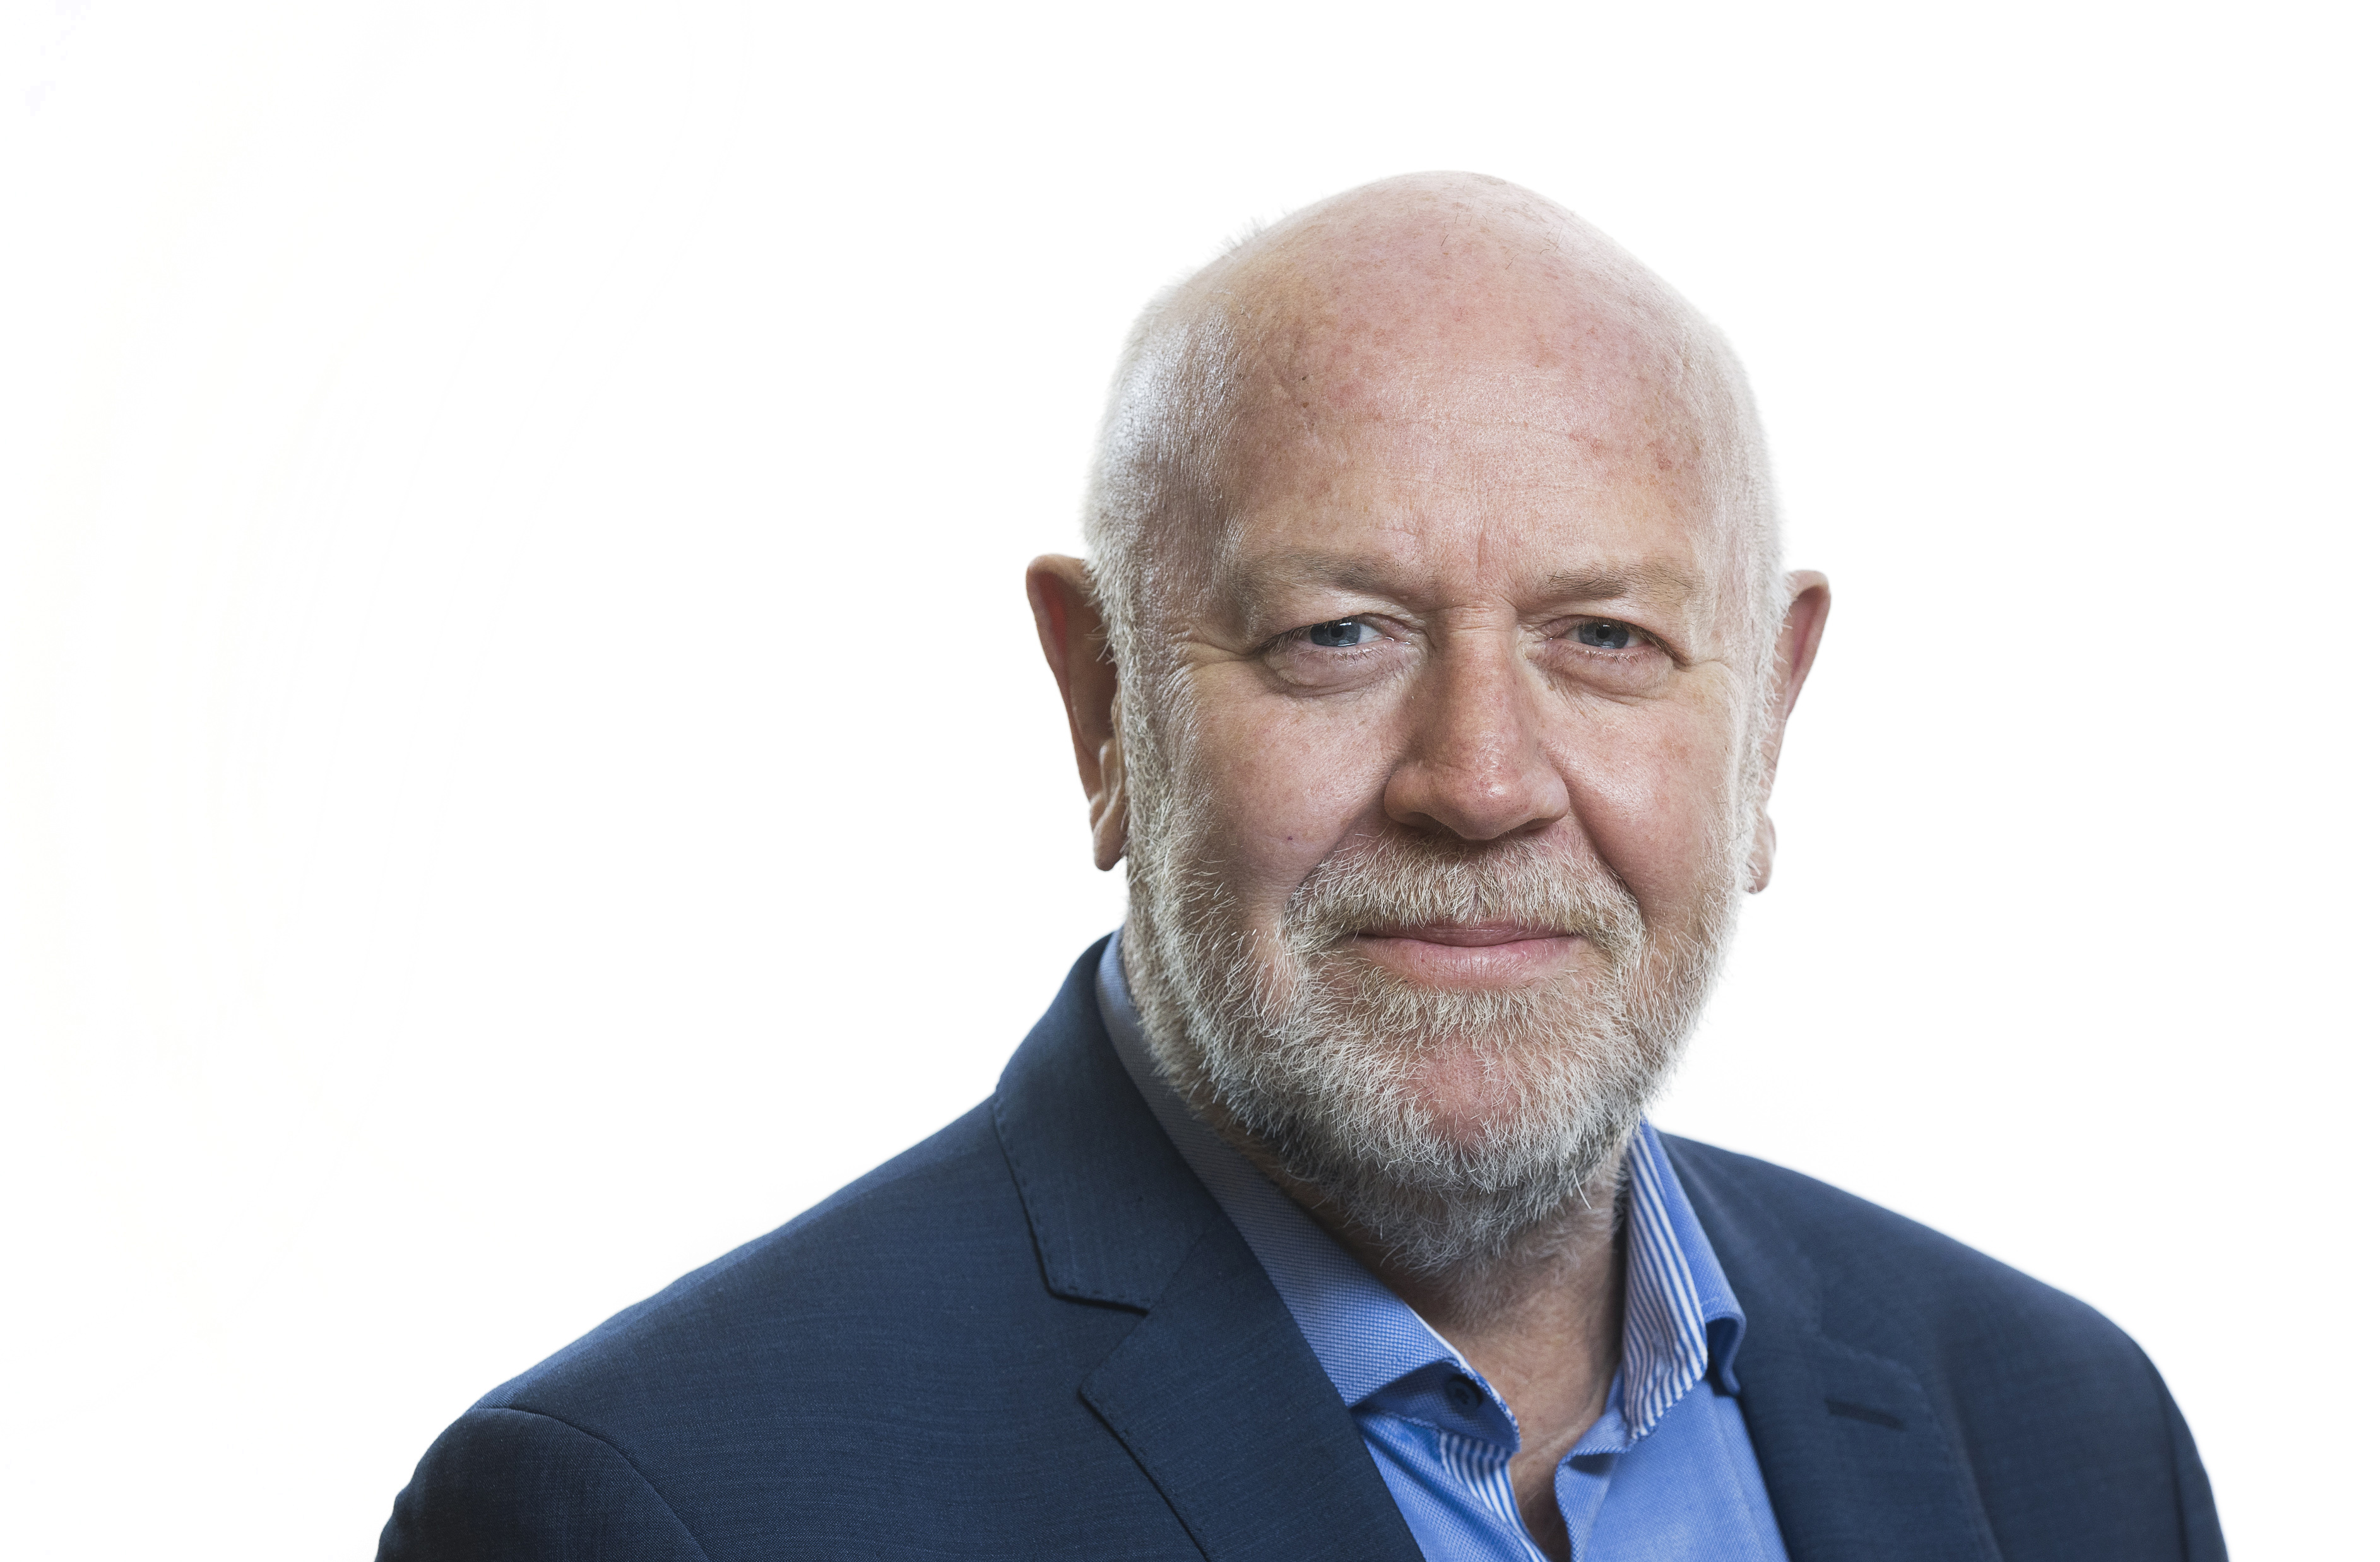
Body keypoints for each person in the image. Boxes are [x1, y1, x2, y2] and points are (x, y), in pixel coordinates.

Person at [377, 172, 2226, 1562]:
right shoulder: (665, 1510)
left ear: (1768, 721)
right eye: (1338, 634)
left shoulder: (2063, 1442)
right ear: (1105, 705)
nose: (1479, 783)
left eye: (1604, 637)